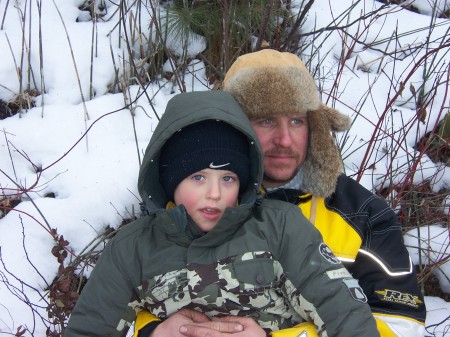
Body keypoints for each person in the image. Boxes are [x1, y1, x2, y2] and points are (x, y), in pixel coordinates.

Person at [63, 91, 380, 337]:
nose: (214, 193)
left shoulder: (279, 227)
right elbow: (90, 327)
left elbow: (343, 311)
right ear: (170, 181)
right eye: (198, 177)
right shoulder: (133, 248)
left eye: (227, 179)